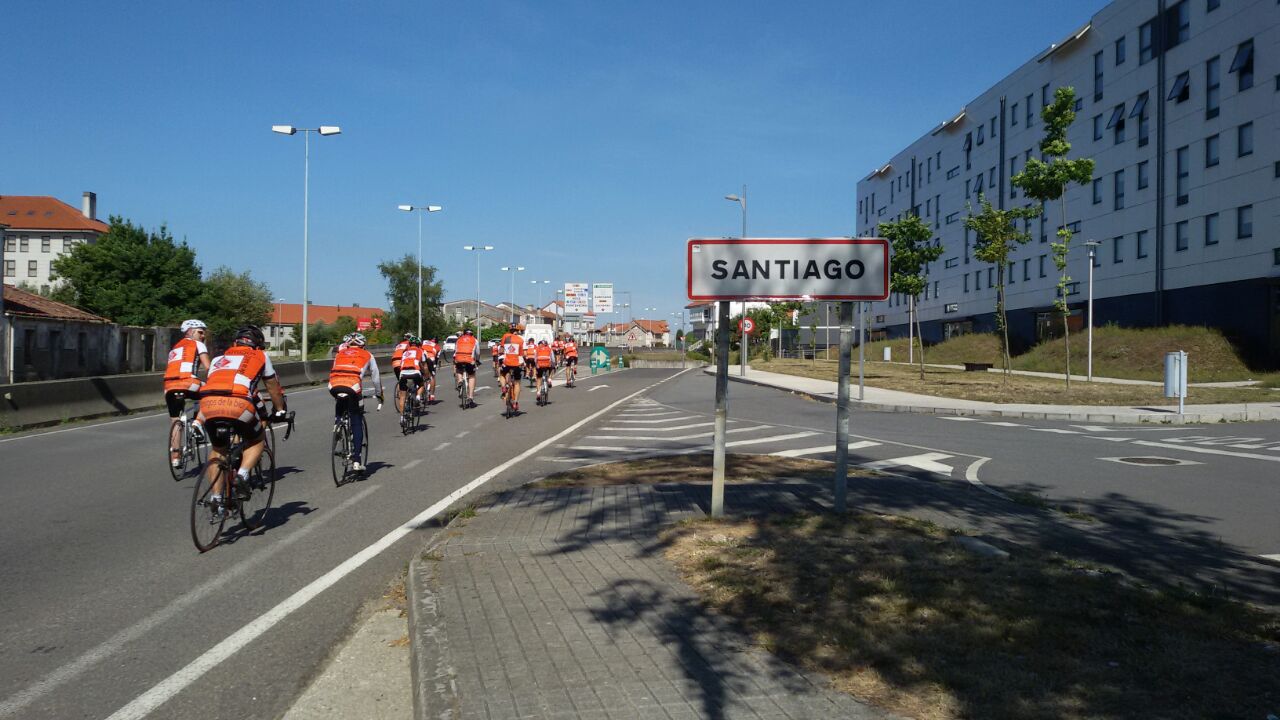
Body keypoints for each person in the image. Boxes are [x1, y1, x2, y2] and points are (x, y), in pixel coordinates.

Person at [196, 326, 287, 517]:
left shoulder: (218, 359)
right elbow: (272, 388)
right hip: (238, 403)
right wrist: (280, 410)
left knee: (218, 449)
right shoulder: (260, 356)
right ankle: (243, 474)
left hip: (208, 405)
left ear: (236, 342)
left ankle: (216, 499)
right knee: (257, 439)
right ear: (258, 344)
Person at [328, 332, 382, 473]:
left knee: (340, 399)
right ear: (363, 345)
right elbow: (376, 378)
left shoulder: (340, 353)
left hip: (333, 385)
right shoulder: (368, 355)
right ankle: (357, 460)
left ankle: (337, 423)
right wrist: (379, 395)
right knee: (356, 419)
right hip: (353, 387)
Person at [164, 319, 211, 468]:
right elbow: (208, 367)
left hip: (169, 386)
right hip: (189, 383)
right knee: (209, 394)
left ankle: (175, 457)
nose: (203, 336)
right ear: (190, 332)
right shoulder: (198, 344)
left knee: (175, 420)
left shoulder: (174, 348)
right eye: (200, 332)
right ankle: (198, 423)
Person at [397, 336, 426, 418]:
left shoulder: (404, 352)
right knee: (421, 385)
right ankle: (417, 397)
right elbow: (423, 364)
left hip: (403, 372)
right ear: (419, 344)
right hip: (415, 371)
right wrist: (424, 373)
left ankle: (402, 418)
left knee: (402, 396)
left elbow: (400, 364)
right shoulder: (420, 351)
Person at [498, 324, 525, 412]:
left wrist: (501, 353)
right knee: (517, 382)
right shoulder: (521, 340)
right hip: (516, 363)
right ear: (518, 330)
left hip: (507, 363)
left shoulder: (505, 336)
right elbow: (521, 354)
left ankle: (503, 387)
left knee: (502, 374)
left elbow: (501, 350)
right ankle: (515, 402)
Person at [453, 328, 479, 408]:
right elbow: (477, 353)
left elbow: (455, 350)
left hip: (459, 359)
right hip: (469, 360)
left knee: (458, 369)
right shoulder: (475, 340)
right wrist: (477, 360)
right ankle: (470, 397)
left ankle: (460, 380)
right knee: (471, 376)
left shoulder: (459, 339)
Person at [421, 336, 440, 402]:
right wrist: (434, 367)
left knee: (422, 376)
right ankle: (432, 395)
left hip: (422, 358)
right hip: (431, 359)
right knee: (432, 377)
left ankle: (421, 393)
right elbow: (437, 359)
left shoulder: (424, 342)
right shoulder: (437, 346)